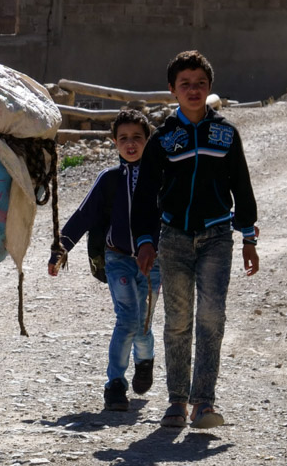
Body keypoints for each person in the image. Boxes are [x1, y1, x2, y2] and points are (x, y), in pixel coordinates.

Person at [132, 50, 259, 430]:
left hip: (218, 235)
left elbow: (242, 186)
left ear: (210, 89)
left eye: (200, 84)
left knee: (211, 317)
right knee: (177, 321)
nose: (193, 90)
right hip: (173, 238)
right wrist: (145, 241)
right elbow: (146, 196)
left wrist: (249, 237)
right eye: (185, 84)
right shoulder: (163, 140)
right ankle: (177, 401)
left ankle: (204, 402)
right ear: (172, 90)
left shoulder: (226, 134)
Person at [49, 109, 161, 412]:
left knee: (143, 325)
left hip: (153, 263)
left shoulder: (161, 178)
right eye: (123, 138)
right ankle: (114, 385)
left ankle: (145, 360)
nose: (131, 143)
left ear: (148, 140)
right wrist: (61, 248)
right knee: (126, 319)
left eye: (137, 137)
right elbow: (84, 215)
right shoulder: (108, 179)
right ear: (114, 142)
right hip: (118, 259)